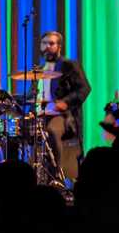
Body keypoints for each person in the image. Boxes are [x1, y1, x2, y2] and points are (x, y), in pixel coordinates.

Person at [36, 31, 91, 180]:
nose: (47, 47)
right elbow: (33, 96)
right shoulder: (39, 69)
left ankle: (59, 177)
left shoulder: (68, 65)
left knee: (51, 130)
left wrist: (65, 102)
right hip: (41, 115)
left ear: (59, 46)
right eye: (44, 43)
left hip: (62, 116)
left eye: (51, 43)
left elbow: (84, 88)